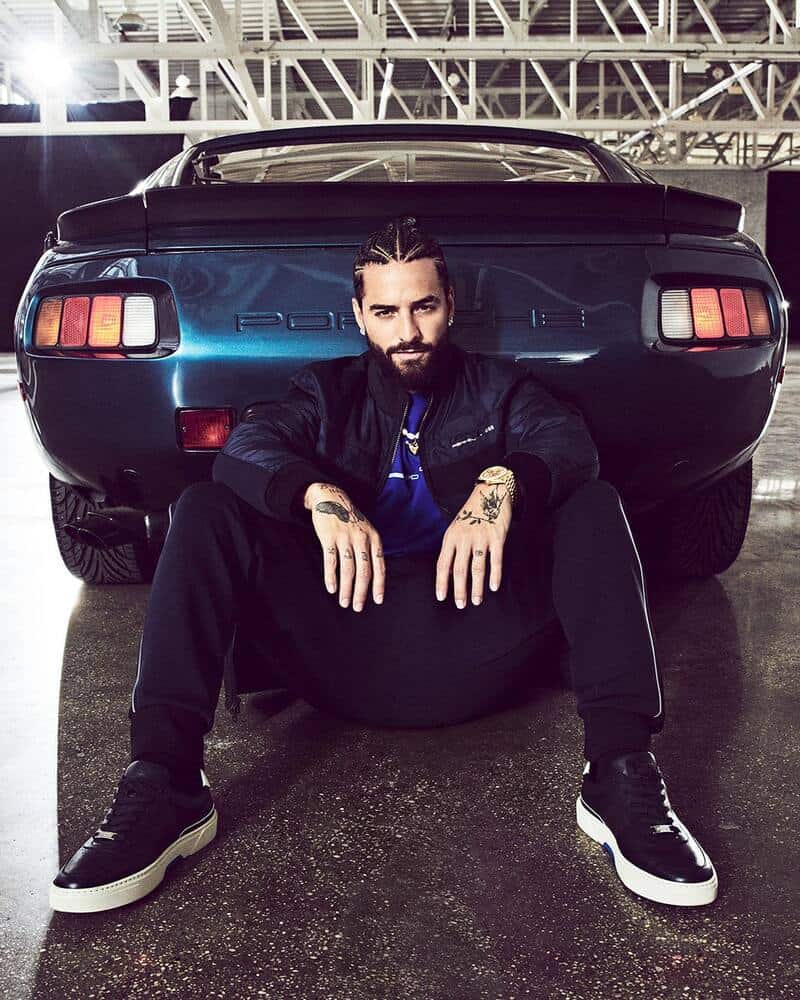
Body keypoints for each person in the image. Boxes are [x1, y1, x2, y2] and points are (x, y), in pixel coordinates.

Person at [50, 215, 717, 914]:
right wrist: (318, 492)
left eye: (423, 306)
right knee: (203, 509)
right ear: (359, 316)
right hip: (342, 643)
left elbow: (567, 444)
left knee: (594, 504)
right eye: (387, 311)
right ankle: (165, 781)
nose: (408, 331)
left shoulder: (502, 390)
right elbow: (246, 450)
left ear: (450, 305)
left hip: (475, 637)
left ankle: (621, 771)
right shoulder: (323, 392)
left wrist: (501, 483)